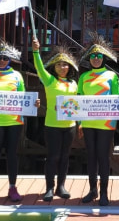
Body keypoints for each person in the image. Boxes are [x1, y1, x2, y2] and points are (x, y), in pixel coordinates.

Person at [32, 38, 80, 202]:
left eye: (65, 64)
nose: (62, 67)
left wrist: (80, 123)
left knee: (65, 156)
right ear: (54, 67)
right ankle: (49, 188)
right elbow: (38, 67)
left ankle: (61, 186)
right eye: (59, 64)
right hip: (52, 125)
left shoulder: (74, 83)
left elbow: (79, 105)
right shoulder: (49, 80)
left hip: (70, 126)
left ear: (69, 67)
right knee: (53, 156)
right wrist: (36, 51)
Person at [0, 41, 29, 204]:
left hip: (14, 121)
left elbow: (24, 98)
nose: (2, 60)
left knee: (12, 155)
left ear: (10, 59)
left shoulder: (17, 75)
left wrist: (33, 104)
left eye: (5, 58)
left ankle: (13, 187)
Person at [78, 33, 119, 206]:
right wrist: (79, 123)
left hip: (106, 123)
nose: (96, 59)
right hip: (88, 123)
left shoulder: (112, 77)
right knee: (91, 157)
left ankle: (104, 193)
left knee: (103, 158)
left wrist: (114, 122)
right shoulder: (83, 77)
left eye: (99, 56)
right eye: (93, 56)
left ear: (104, 58)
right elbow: (79, 100)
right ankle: (92, 190)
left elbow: (117, 100)